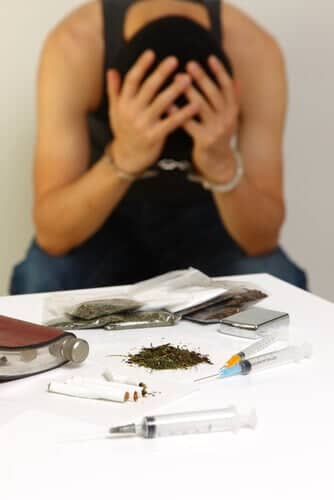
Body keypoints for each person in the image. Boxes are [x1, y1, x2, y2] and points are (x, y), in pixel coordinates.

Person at [9, 0, 307, 294]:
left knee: (279, 278)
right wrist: (124, 158)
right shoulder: (77, 45)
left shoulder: (252, 50)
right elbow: (52, 235)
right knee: (40, 276)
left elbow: (262, 241)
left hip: (210, 221)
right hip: (104, 222)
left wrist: (221, 166)